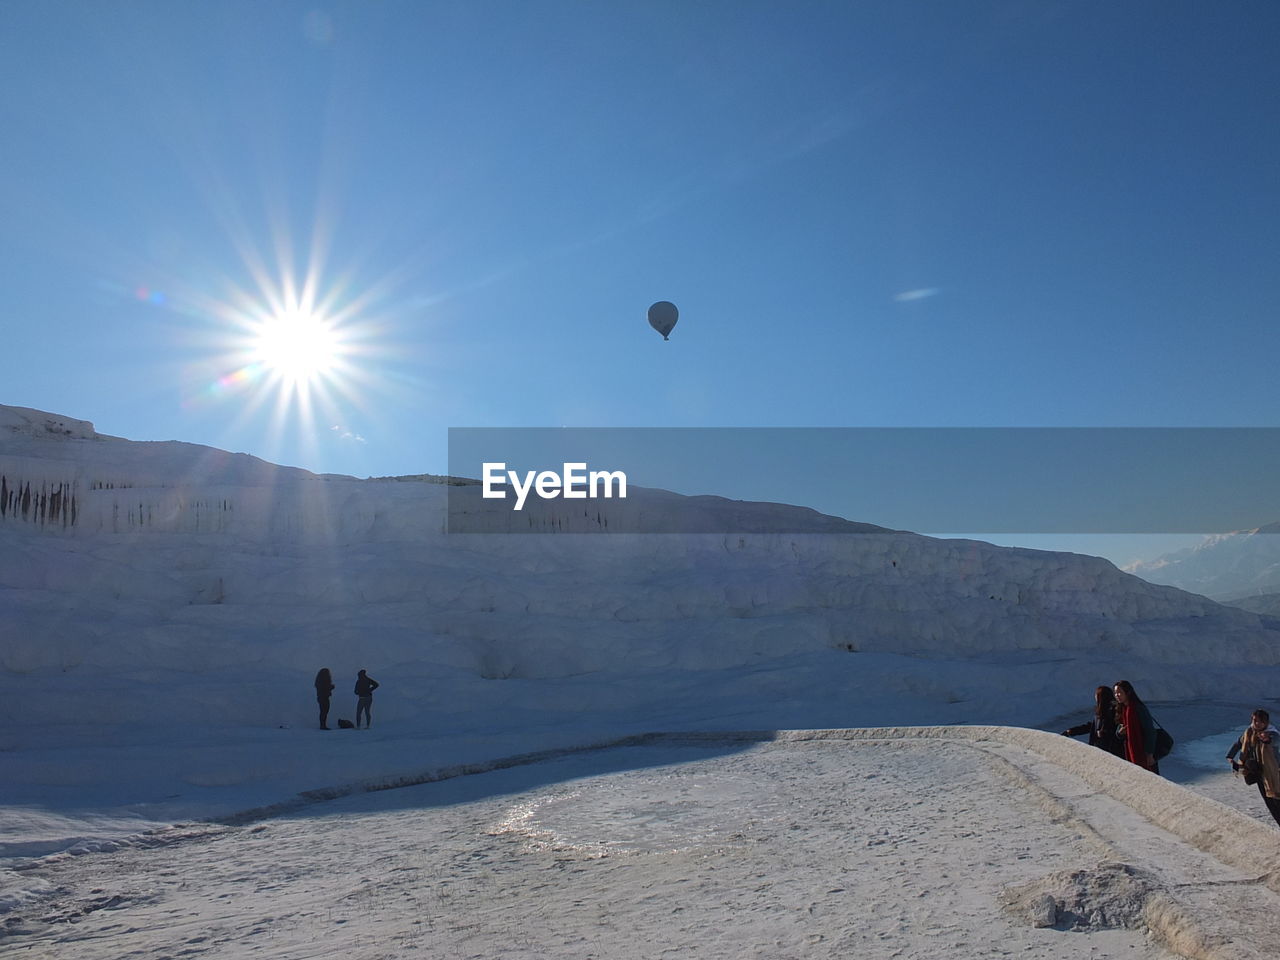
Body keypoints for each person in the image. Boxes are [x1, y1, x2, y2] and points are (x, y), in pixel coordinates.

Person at [1226, 708, 1280, 828]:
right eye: (1255, 720)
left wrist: (1267, 739)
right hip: (1258, 773)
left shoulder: (1271, 732)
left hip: (1273, 773)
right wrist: (1230, 756)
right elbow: (1238, 743)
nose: (1256, 723)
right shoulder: (1249, 732)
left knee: (1277, 800)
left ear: (1266, 723)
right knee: (1270, 803)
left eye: (1260, 721)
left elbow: (1275, 741)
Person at [1061, 685, 1124, 756]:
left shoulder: (1114, 711)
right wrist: (1072, 731)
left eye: (1096, 695)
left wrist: (1102, 733)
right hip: (1100, 749)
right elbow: (1091, 726)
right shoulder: (1100, 712)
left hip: (1110, 751)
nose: (1095, 697)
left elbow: (1113, 730)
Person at [1113, 680, 1159, 774]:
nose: (1117, 695)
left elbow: (1150, 731)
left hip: (1143, 753)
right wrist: (1120, 732)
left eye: (1120, 692)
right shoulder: (1123, 709)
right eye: (1115, 693)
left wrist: (1149, 754)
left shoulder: (1138, 708)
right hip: (1129, 752)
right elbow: (1119, 730)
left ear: (1128, 692)